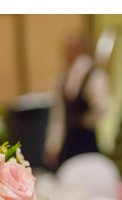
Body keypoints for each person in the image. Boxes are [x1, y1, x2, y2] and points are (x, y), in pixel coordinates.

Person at [44, 33, 110, 170]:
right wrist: (53, 143)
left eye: (70, 48)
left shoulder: (94, 74)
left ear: (80, 49)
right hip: (68, 139)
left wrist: (86, 120)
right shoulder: (63, 76)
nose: (65, 53)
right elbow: (58, 114)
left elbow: (102, 106)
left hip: (86, 138)